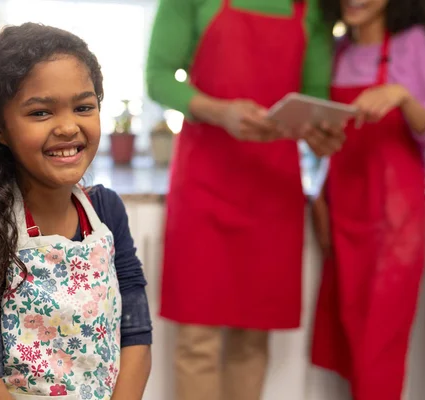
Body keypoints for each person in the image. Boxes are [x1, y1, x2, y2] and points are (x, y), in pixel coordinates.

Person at [0, 23, 152, 400]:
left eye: (84, 107)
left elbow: (135, 333)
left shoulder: (106, 211)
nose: (69, 126)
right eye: (40, 113)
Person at [146, 0, 346, 399]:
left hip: (272, 189)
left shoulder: (312, 11)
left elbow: (315, 97)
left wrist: (320, 131)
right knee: (196, 339)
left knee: (252, 339)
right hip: (204, 181)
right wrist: (219, 112)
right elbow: (158, 77)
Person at [310, 0, 425, 399]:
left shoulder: (412, 43)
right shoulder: (338, 50)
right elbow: (331, 140)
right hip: (343, 220)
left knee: (379, 351)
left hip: (395, 226)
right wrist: (319, 192)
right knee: (348, 345)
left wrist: (402, 96)